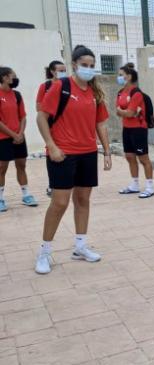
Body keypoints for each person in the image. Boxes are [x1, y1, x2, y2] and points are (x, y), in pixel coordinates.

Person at [34, 45, 112, 275]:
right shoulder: (61, 86)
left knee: (83, 200)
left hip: (87, 153)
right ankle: (44, 252)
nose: (88, 69)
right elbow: (41, 118)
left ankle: (80, 247)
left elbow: (101, 123)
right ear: (74, 65)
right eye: (84, 65)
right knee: (59, 203)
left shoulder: (95, 93)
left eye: (91, 66)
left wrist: (106, 151)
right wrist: (52, 146)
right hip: (63, 154)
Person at [0, 66, 37, 211]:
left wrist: (20, 133)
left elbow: (23, 116)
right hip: (3, 138)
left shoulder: (17, 95)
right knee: (2, 168)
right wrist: (13, 135)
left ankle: (26, 195)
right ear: (4, 78)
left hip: (19, 138)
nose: (15, 79)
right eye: (13, 76)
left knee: (21, 165)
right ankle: (1, 199)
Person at [116, 63, 154, 198]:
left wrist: (126, 112)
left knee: (143, 158)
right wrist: (126, 112)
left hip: (139, 129)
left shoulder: (136, 93)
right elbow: (118, 111)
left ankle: (150, 187)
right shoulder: (120, 93)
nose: (118, 77)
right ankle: (134, 185)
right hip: (127, 129)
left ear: (129, 76)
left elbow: (130, 113)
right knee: (130, 157)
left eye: (121, 75)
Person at [37, 60, 68, 197]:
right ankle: (52, 184)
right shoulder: (46, 86)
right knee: (52, 151)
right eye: (60, 70)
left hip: (66, 124)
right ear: (52, 71)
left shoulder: (67, 85)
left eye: (64, 70)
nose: (63, 73)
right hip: (51, 124)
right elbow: (39, 108)